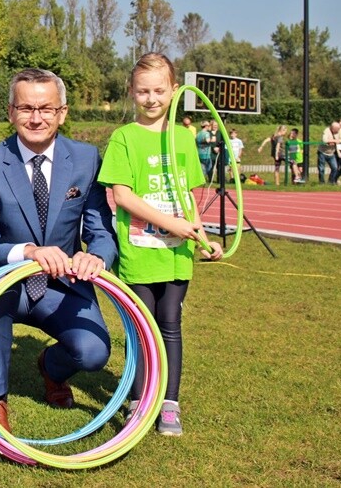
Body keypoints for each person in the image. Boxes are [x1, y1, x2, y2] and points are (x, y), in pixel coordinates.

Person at [0, 68, 117, 433]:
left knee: (93, 352)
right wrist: (28, 251)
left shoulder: (86, 159)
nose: (36, 118)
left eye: (46, 108)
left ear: (62, 112)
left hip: (63, 284)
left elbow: (103, 232)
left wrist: (95, 256)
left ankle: (51, 367)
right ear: (11, 112)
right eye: (27, 108)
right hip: (4, 282)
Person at [98, 53, 223, 437]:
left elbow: (188, 198)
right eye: (143, 91)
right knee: (140, 327)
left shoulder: (183, 137)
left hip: (175, 255)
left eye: (159, 90)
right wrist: (169, 223)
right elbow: (123, 195)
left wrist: (202, 238)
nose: (151, 98)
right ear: (132, 92)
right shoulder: (124, 138)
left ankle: (169, 403)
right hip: (138, 251)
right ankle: (139, 399)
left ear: (173, 90)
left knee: (170, 325)